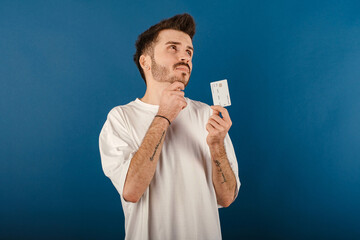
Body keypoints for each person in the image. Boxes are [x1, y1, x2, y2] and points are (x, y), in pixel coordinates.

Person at [99, 13, 241, 240]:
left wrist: (216, 144)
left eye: (189, 52)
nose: (184, 56)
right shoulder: (120, 118)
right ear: (145, 61)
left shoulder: (208, 115)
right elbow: (131, 191)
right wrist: (163, 116)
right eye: (173, 48)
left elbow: (226, 198)